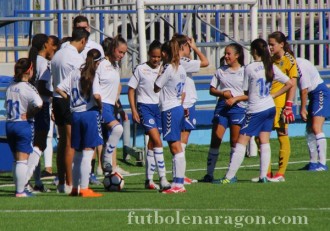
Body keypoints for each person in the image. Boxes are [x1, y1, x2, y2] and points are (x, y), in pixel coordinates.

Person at [214, 38, 293, 184]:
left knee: (241, 142)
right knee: (264, 141)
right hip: (270, 107)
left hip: (255, 109)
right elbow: (290, 83)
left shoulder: (249, 68)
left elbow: (246, 90)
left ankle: (229, 177)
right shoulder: (271, 66)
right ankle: (263, 176)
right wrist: (274, 95)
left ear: (254, 51)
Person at [56, 49, 103, 197]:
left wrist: (69, 99)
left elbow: (59, 88)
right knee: (88, 152)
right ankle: (84, 188)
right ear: (97, 62)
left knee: (77, 153)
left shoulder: (75, 72)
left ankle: (75, 188)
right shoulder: (94, 74)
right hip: (89, 114)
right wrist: (100, 106)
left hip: (75, 115)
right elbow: (96, 94)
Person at [199, 43, 247, 183]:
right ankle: (209, 174)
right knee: (216, 140)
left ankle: (230, 175)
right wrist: (223, 93)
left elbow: (249, 94)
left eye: (228, 54)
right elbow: (212, 89)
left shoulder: (245, 71)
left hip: (238, 108)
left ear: (237, 55)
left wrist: (235, 99)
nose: (225, 56)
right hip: (222, 107)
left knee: (234, 141)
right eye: (225, 54)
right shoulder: (221, 71)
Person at [128, 40, 171, 190]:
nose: (156, 60)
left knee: (152, 144)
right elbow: (131, 89)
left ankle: (149, 180)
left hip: (159, 108)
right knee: (157, 141)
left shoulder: (165, 68)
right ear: (149, 55)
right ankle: (163, 178)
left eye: (159, 57)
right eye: (153, 56)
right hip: (144, 107)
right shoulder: (141, 69)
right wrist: (134, 110)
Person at [51, 27, 89, 193]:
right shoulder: (75, 57)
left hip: (57, 98)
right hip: (67, 99)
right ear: (82, 41)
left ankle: (61, 183)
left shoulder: (58, 53)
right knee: (70, 142)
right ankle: (69, 183)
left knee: (62, 142)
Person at [172, 34, 209, 184]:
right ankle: (179, 175)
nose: (190, 48)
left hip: (181, 101)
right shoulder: (184, 61)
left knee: (180, 140)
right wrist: (195, 47)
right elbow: (205, 62)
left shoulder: (176, 61)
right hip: (185, 103)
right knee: (182, 140)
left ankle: (179, 174)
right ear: (183, 47)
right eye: (188, 46)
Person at [5, 58, 43, 197]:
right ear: (29, 71)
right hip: (23, 125)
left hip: (9, 124)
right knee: (22, 160)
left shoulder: (10, 85)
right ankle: (20, 191)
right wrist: (28, 114)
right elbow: (39, 104)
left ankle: (19, 188)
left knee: (16, 159)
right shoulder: (28, 88)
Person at [154, 39, 187, 194]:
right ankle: (178, 182)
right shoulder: (181, 68)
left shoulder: (168, 68)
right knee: (177, 145)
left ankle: (178, 184)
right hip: (178, 107)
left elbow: (156, 87)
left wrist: (160, 70)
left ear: (165, 54)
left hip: (169, 109)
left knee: (175, 147)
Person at [25, 33, 57, 193]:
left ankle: (37, 181)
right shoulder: (44, 63)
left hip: (30, 105)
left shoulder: (32, 61)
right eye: (51, 44)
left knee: (35, 144)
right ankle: (26, 181)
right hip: (41, 105)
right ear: (45, 45)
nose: (53, 47)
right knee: (39, 144)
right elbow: (43, 87)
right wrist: (57, 95)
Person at [94, 35, 128, 178]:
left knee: (107, 139)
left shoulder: (115, 66)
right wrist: (100, 106)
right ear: (113, 49)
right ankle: (106, 161)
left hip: (111, 106)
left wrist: (118, 107)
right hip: (101, 106)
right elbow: (95, 89)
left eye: (124, 53)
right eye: (120, 52)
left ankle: (107, 171)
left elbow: (115, 90)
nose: (122, 55)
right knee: (118, 129)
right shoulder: (101, 64)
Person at [266, 31, 298, 182]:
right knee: (260, 136)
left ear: (281, 44)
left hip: (280, 104)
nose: (270, 47)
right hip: (267, 103)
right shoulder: (271, 59)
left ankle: (280, 173)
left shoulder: (289, 60)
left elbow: (293, 83)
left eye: (272, 44)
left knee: (282, 135)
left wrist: (289, 106)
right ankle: (266, 172)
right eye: (269, 44)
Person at [296, 58, 329, 171]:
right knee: (310, 129)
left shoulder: (300, 66)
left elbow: (304, 90)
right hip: (313, 95)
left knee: (316, 127)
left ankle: (322, 163)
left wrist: (302, 108)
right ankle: (313, 163)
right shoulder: (290, 65)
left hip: (319, 93)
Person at [41, 35, 60, 177]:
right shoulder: (44, 63)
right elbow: (44, 85)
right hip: (46, 102)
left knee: (58, 135)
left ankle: (54, 167)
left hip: (54, 101)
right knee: (46, 135)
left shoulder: (55, 62)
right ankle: (47, 167)